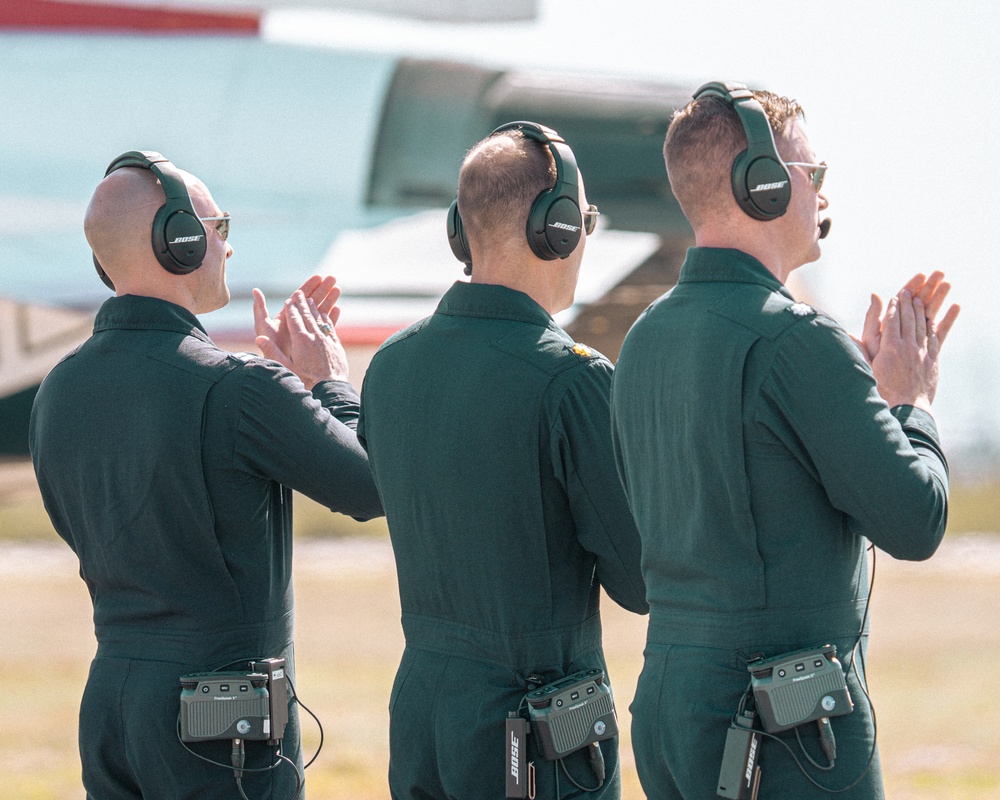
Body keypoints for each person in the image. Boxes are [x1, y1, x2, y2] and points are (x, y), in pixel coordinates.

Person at [610, 81, 960, 799]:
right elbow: (916, 521)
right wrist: (908, 400)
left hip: (671, 706)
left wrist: (849, 397)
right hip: (785, 724)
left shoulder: (643, 339)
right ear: (761, 185)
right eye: (813, 176)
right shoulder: (799, 340)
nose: (823, 197)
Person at [29, 151, 383, 800]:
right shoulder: (240, 388)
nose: (225, 244)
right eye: (217, 226)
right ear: (181, 241)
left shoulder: (58, 390)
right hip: (222, 721)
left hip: (110, 704)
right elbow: (371, 487)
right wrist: (329, 383)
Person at [355, 122, 648, 800]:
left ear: (462, 230)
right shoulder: (573, 379)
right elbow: (640, 582)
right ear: (561, 227)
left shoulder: (392, 366)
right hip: (540, 731)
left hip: (424, 714)